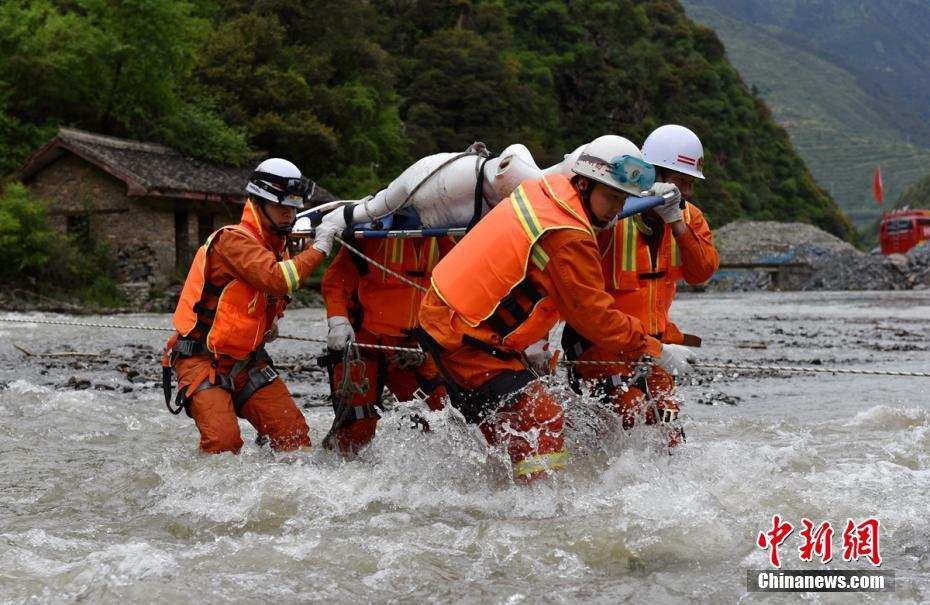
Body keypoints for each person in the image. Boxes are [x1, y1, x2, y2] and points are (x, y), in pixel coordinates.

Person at [416, 135, 694, 481]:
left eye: (623, 199)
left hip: (452, 318)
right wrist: (656, 350)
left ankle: (499, 499)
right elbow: (594, 318)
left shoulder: (546, 190)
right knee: (542, 416)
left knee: (503, 433)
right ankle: (541, 509)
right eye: (610, 196)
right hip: (466, 333)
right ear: (583, 183)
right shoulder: (569, 235)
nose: (616, 209)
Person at [161, 158, 339, 454]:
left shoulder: (277, 246)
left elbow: (269, 297)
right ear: (258, 203)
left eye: (293, 208)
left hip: (248, 362)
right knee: (223, 444)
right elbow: (277, 280)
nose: (289, 215)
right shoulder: (233, 240)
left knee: (294, 439)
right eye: (282, 207)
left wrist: (271, 321)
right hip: (203, 360)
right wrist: (319, 248)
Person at [562, 125, 719, 445]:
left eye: (690, 183)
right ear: (654, 174)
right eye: (681, 181)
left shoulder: (689, 218)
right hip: (602, 349)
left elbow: (702, 270)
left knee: (670, 428)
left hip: (657, 351)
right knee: (628, 416)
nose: (686, 191)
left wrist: (676, 222)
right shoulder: (612, 215)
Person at [320, 226, 456, 453]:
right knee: (357, 428)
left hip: (412, 347)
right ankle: (338, 473)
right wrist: (337, 320)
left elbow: (461, 284)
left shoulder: (445, 236)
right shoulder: (372, 234)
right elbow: (336, 281)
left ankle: (424, 479)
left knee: (441, 416)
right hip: (364, 343)